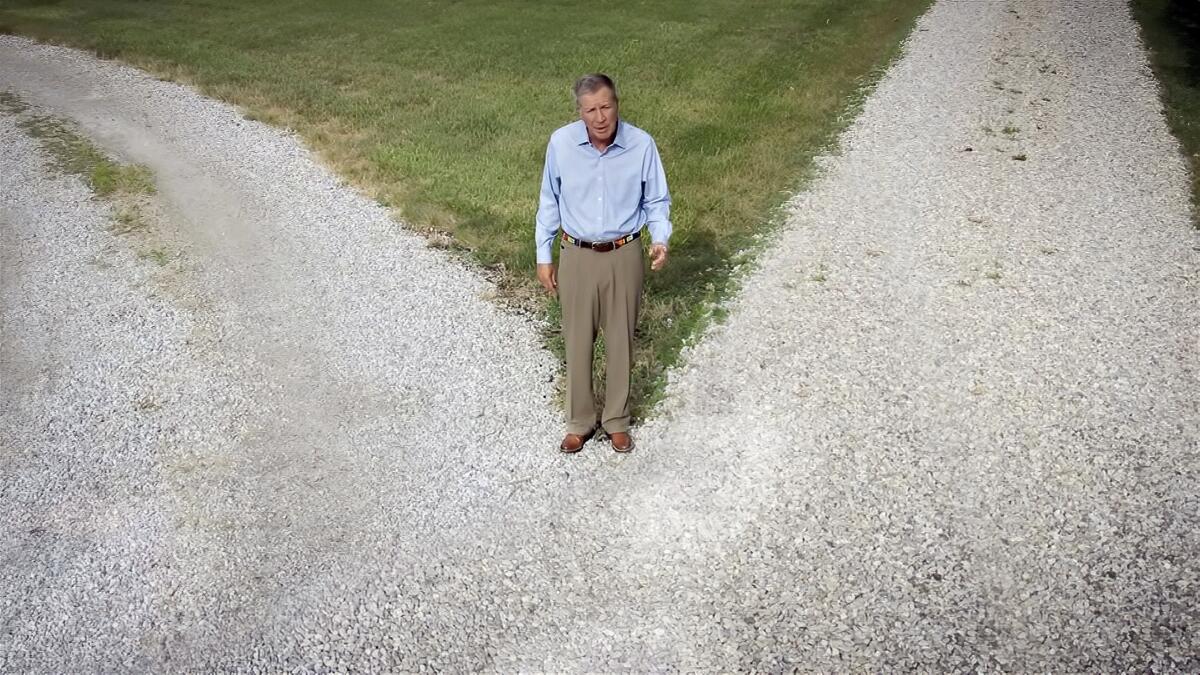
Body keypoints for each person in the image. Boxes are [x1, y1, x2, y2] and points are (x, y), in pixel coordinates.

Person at [534, 73, 672, 454]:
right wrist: (543, 254)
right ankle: (580, 421)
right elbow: (549, 200)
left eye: (606, 106)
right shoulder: (561, 144)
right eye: (591, 109)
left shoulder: (641, 145)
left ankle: (616, 420)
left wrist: (659, 239)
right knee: (577, 340)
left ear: (617, 104)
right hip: (576, 254)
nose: (600, 117)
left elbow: (656, 201)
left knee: (620, 339)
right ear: (580, 112)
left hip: (624, 253)